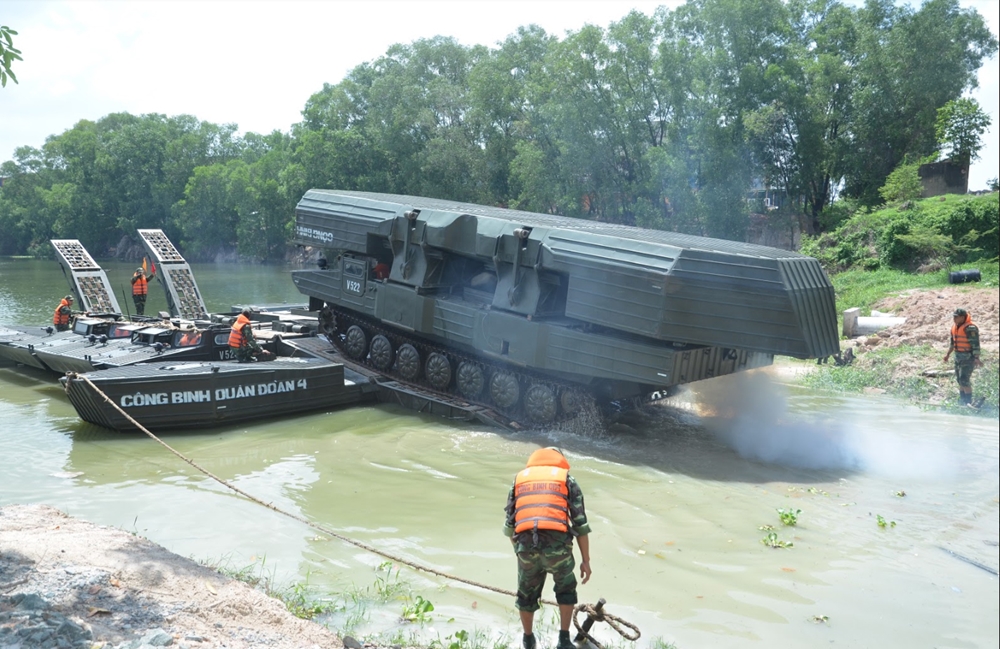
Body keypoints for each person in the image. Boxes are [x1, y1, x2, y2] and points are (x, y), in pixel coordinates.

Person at [504, 447, 592, 649]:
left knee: (526, 594)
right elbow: (581, 525)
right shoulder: (567, 480)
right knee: (566, 588)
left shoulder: (519, 481)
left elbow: (509, 527)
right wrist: (586, 561)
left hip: (525, 546)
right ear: (559, 461)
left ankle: (528, 640)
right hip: (557, 548)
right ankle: (563, 640)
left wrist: (520, 553)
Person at [943, 307, 982, 407]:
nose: (954, 319)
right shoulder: (954, 327)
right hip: (958, 357)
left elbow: (975, 344)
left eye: (956, 317)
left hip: (968, 358)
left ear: (962, 317)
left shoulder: (970, 328)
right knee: (959, 380)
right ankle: (962, 402)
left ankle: (968, 402)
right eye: (954, 317)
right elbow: (952, 344)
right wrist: (947, 355)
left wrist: (976, 358)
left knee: (964, 379)